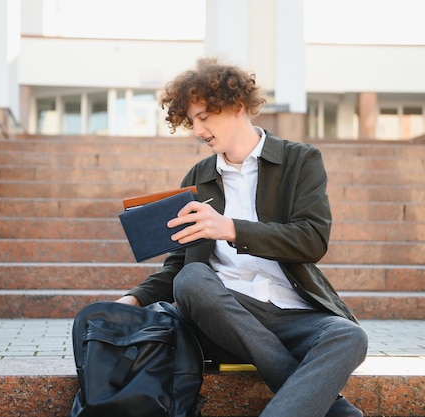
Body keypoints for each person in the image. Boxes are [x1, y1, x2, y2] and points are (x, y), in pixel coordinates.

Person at [116, 57, 368, 417]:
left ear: (236, 106)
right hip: (224, 316)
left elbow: (313, 239)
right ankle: (330, 407)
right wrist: (135, 299)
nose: (196, 130)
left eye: (203, 117)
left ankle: (327, 408)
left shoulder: (300, 161)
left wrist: (230, 228)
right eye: (191, 121)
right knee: (192, 279)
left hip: (294, 313)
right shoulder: (198, 176)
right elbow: (179, 266)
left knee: (349, 336)